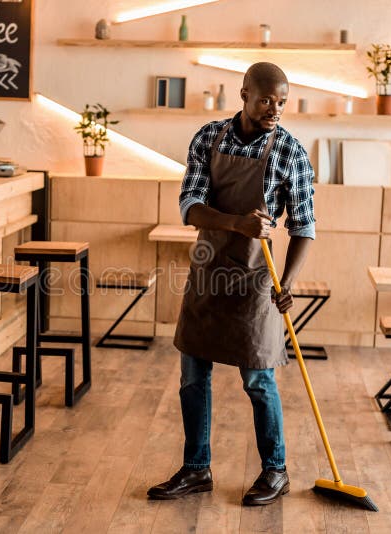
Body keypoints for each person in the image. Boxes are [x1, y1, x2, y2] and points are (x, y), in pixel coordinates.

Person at [147, 62, 315, 506]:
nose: (273, 109)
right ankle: (196, 468)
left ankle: (275, 471)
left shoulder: (291, 153)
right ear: (243, 94)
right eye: (265, 100)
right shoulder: (208, 138)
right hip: (208, 271)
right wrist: (236, 223)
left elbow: (303, 227)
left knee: (259, 380)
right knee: (192, 376)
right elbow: (190, 206)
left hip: (258, 281)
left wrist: (290, 284)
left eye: (281, 101)